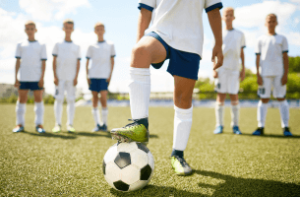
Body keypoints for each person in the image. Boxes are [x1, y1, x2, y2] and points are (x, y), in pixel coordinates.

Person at [111, 0, 224, 175]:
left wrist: (218, 43)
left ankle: (177, 154)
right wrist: (139, 39)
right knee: (140, 51)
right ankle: (140, 125)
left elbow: (213, 10)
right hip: (161, 32)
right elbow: (146, 10)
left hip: (190, 40)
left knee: (182, 99)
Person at [253, 14, 292, 136]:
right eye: (269, 21)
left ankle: (286, 127)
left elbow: (285, 57)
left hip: (279, 74)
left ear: (277, 23)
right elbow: (257, 58)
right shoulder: (260, 39)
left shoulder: (282, 39)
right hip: (264, 74)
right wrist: (258, 74)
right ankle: (261, 127)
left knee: (281, 98)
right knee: (264, 98)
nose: (271, 23)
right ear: (265, 23)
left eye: (273, 21)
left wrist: (285, 74)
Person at [213, 7, 246, 135]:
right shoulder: (219, 33)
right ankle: (219, 125)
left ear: (234, 17)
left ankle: (235, 126)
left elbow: (242, 52)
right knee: (220, 96)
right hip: (222, 69)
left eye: (230, 15)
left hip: (234, 70)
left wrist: (242, 69)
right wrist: (214, 69)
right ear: (223, 17)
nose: (228, 17)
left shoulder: (240, 34)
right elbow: (215, 52)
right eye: (226, 15)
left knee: (234, 95)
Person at [12, 21, 47, 133]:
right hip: (23, 77)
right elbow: (17, 61)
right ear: (25, 30)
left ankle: (39, 125)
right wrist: (16, 77)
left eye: (32, 28)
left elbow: (43, 62)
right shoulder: (20, 44)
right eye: (28, 29)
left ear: (35, 30)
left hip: (36, 77)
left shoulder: (41, 45)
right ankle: (20, 124)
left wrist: (42, 78)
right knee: (22, 100)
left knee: (38, 100)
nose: (30, 31)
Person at [52, 19, 81, 133]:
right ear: (63, 29)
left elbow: (78, 62)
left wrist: (76, 77)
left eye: (70, 28)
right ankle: (57, 124)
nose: (68, 30)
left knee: (71, 100)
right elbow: (54, 61)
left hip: (71, 78)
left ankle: (70, 124)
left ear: (72, 29)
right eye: (66, 28)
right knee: (58, 100)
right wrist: (55, 76)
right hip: (59, 78)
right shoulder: (58, 44)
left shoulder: (76, 46)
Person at [86, 22, 116, 132]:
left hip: (104, 76)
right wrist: (87, 76)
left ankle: (105, 124)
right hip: (93, 75)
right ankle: (97, 124)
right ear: (95, 31)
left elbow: (112, 61)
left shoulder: (110, 45)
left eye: (101, 29)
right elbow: (87, 61)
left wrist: (110, 75)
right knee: (94, 99)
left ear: (104, 30)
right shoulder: (91, 46)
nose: (99, 31)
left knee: (103, 99)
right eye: (97, 29)